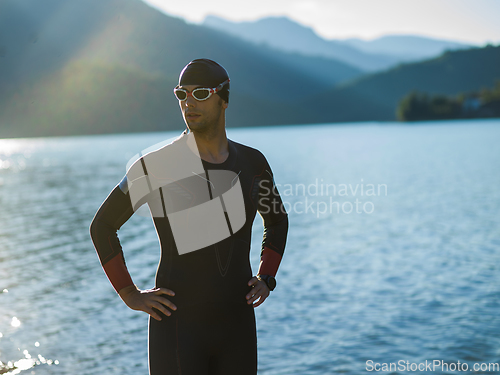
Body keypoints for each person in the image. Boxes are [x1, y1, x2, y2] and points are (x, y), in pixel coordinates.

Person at [89, 58, 289, 375]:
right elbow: (102, 226)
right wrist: (129, 293)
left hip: (236, 324)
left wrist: (266, 278)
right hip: (178, 327)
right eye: (182, 94)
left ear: (224, 98)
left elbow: (277, 221)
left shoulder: (253, 163)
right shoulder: (155, 165)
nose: (188, 103)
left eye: (200, 94)